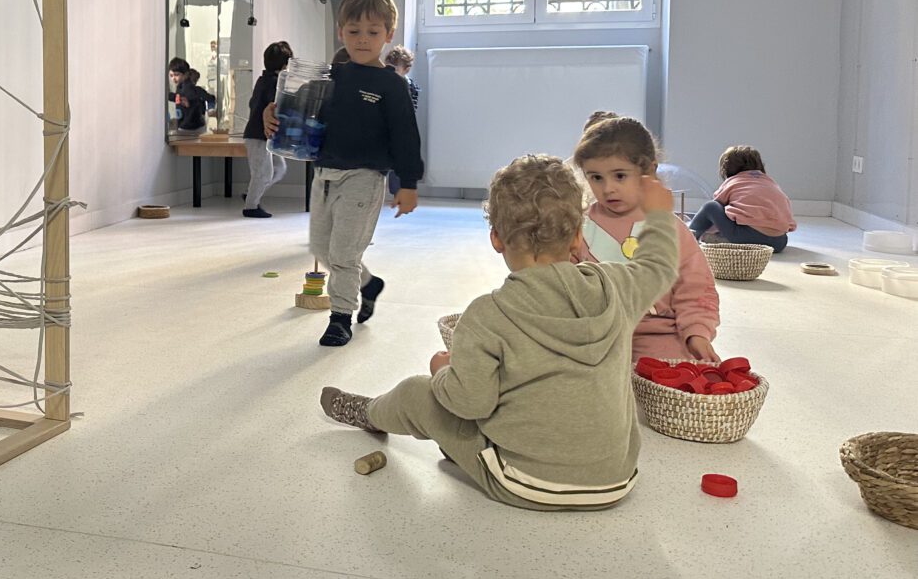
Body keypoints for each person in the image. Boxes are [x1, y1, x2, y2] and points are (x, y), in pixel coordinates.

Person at [319, 156, 678, 511]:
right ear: (577, 237)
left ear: (496, 239)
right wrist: (660, 215)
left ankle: (370, 413)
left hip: (525, 482)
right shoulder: (617, 286)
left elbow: (469, 403)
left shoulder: (487, 315)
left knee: (417, 393)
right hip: (615, 480)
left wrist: (442, 372)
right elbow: (659, 265)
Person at [265, 0, 423, 347]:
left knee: (345, 253)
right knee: (322, 247)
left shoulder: (392, 85)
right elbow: (295, 106)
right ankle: (369, 284)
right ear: (341, 32)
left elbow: (406, 136)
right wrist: (271, 112)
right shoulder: (331, 75)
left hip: (364, 177)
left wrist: (408, 182)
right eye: (354, 31)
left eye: (373, 32)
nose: (362, 39)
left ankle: (340, 318)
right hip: (324, 174)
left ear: (388, 34)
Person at [573, 113, 720, 363]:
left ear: (649, 171)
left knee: (674, 374)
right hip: (597, 335)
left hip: (659, 333)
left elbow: (695, 288)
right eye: (596, 177)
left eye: (620, 176)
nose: (608, 188)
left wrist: (697, 333)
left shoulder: (670, 228)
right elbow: (564, 285)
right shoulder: (579, 227)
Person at [690, 146, 797, 253]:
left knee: (711, 206)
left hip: (747, 236)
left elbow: (717, 208)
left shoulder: (733, 181)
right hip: (779, 242)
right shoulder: (771, 183)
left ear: (726, 168)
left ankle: (689, 237)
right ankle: (726, 240)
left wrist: (706, 228)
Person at [242, 41, 292, 219]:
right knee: (263, 173)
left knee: (279, 168)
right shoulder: (274, 83)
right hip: (258, 135)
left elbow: (252, 103)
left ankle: (251, 194)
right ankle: (250, 206)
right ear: (285, 64)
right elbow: (276, 106)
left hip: (262, 135)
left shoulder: (262, 80)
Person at [384, 46, 422, 200]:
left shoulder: (408, 86)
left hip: (399, 130)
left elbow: (410, 112)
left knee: (398, 162)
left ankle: (398, 192)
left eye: (394, 69)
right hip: (384, 129)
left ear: (406, 70)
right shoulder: (384, 83)